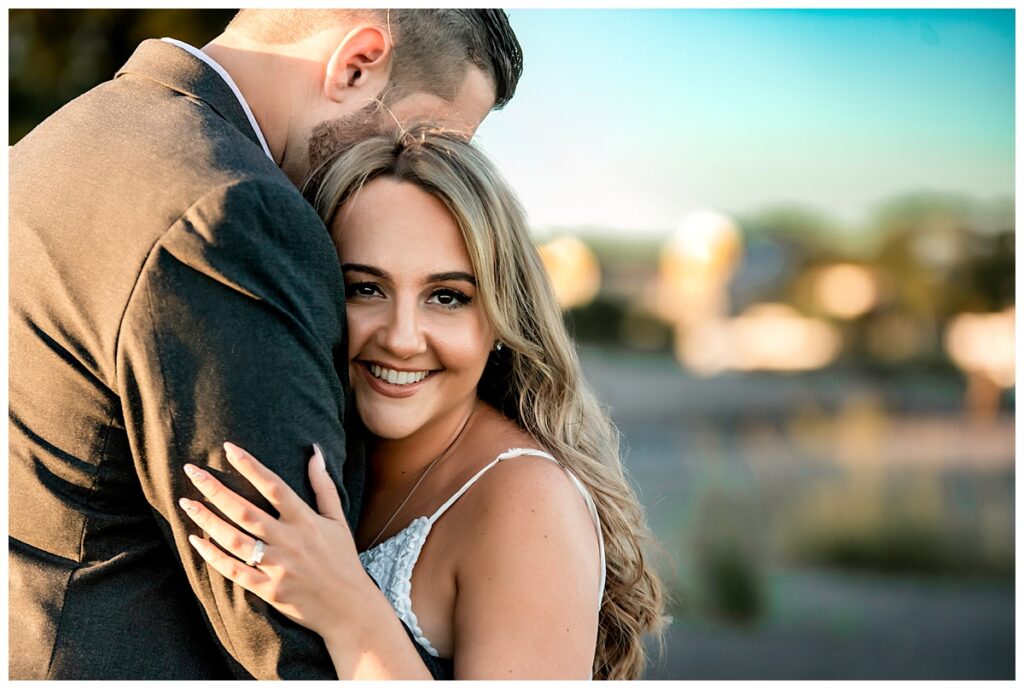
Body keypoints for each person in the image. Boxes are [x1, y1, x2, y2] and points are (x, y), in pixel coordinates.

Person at [8, 10, 522, 680]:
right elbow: (289, 641)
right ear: (357, 63)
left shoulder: (50, 146)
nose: (418, 171)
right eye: (425, 134)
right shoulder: (233, 209)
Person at [176, 126, 667, 680]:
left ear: (502, 319)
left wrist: (349, 612)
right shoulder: (318, 438)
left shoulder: (526, 504)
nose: (403, 338)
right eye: (364, 288)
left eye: (447, 297)